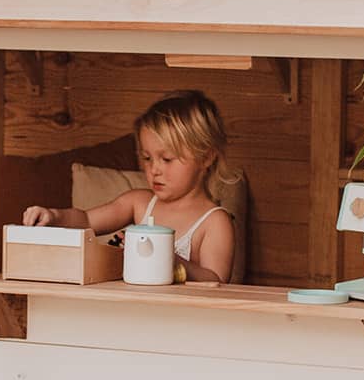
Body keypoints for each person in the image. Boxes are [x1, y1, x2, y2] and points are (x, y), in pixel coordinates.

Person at [23, 91, 237, 284]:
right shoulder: (139, 203)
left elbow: (216, 281)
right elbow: (87, 220)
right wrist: (54, 217)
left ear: (206, 157)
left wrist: (173, 262)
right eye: (147, 158)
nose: (154, 169)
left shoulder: (214, 221)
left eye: (167, 159)